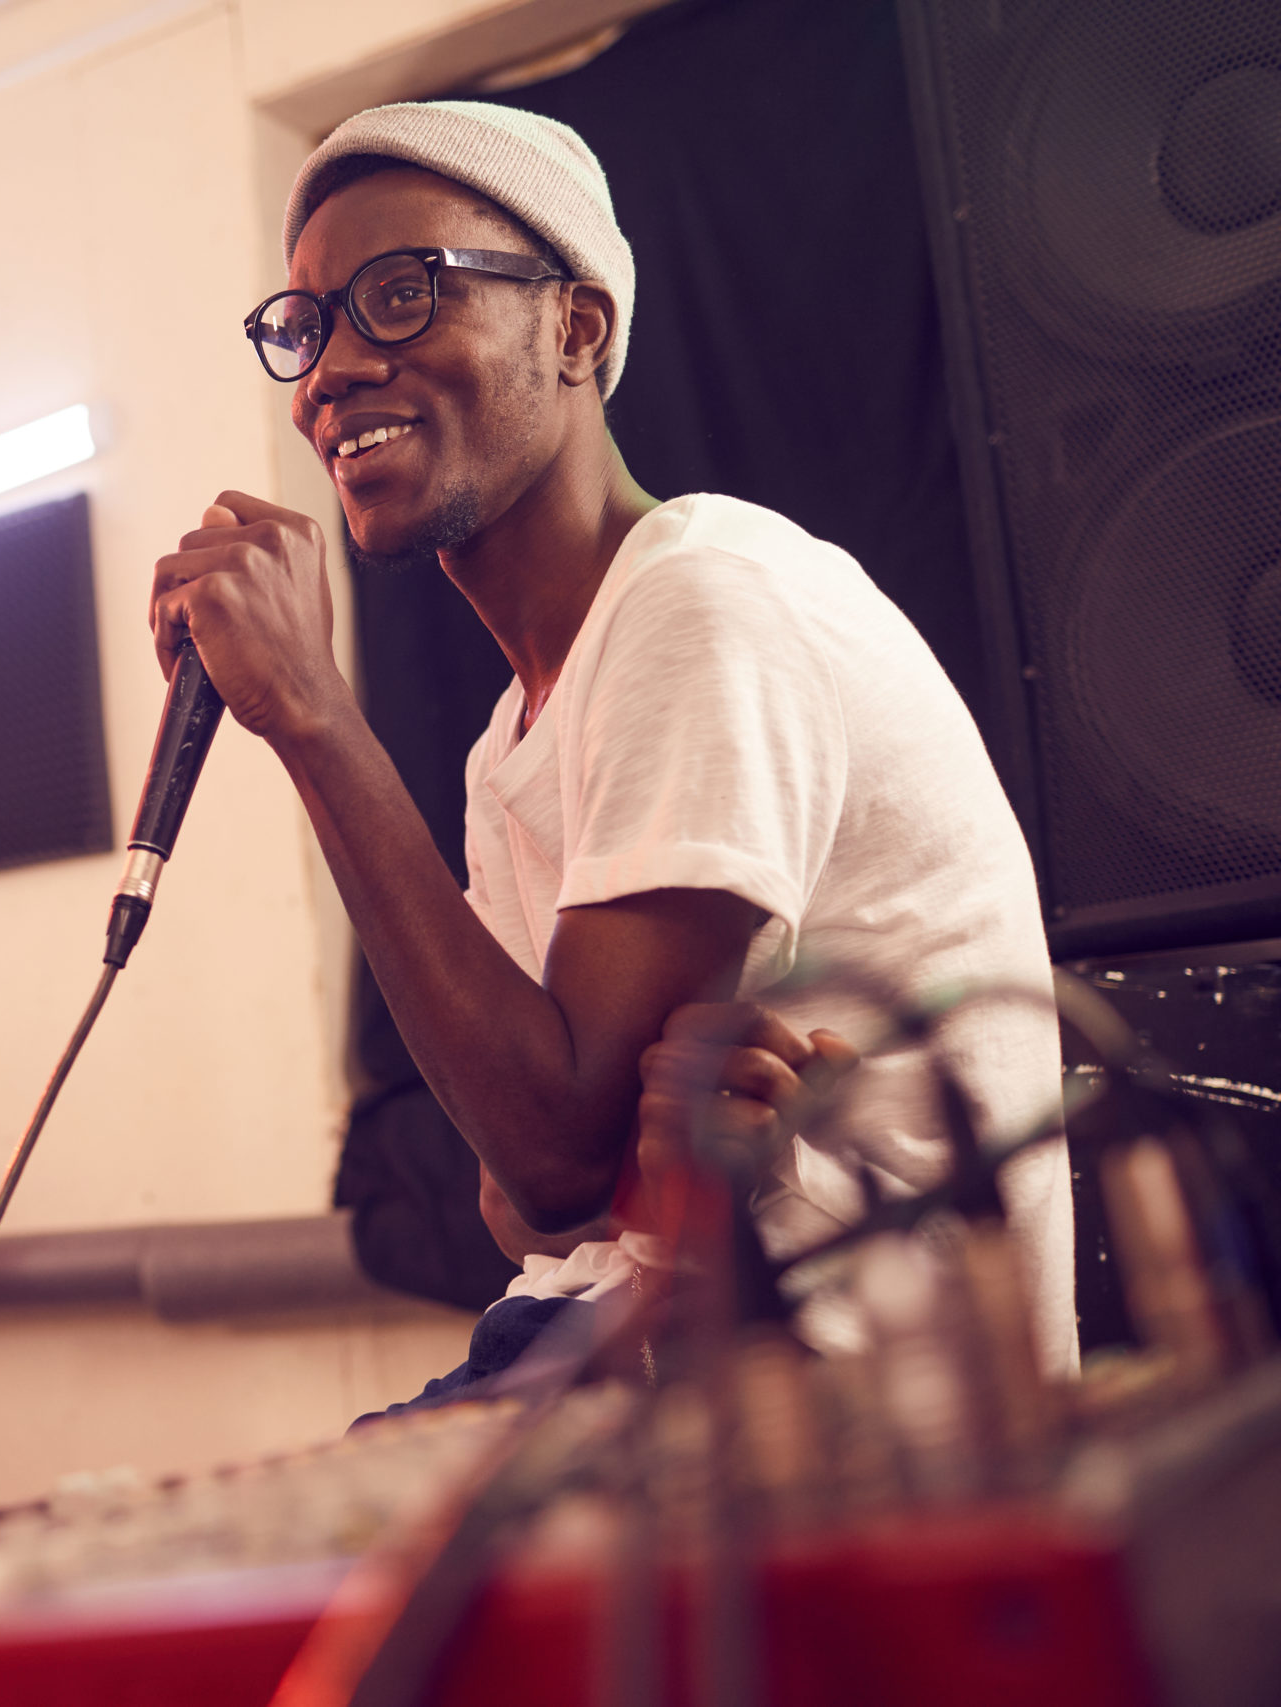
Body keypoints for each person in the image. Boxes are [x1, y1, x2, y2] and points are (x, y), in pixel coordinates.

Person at [153, 100, 1074, 1378]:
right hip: (623, 1356)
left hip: (852, 1408)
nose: (333, 368)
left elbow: (553, 1153)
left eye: (403, 293)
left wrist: (312, 718)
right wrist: (589, 1148)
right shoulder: (510, 740)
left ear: (575, 327)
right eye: (306, 326)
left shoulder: (701, 599)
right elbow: (520, 1198)